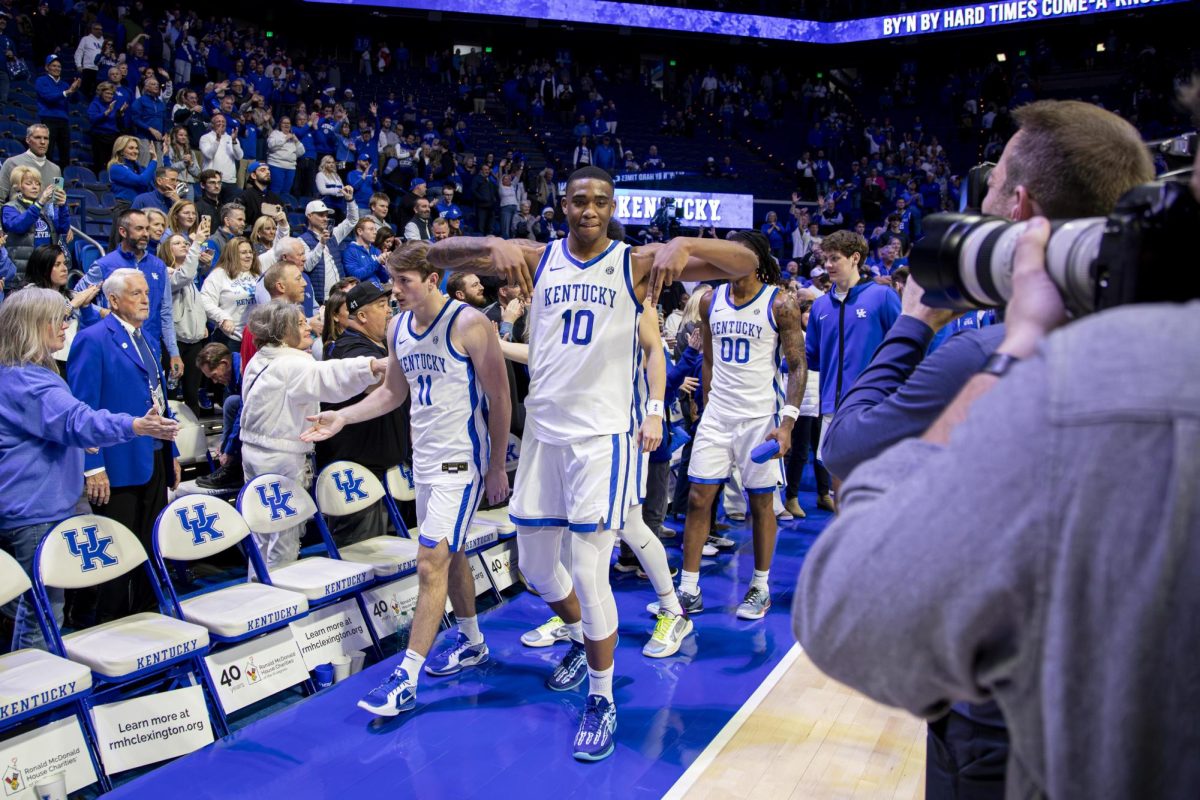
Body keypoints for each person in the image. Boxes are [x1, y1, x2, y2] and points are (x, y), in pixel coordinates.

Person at [795, 106, 1200, 796]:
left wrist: (934, 325)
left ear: (1020, 207)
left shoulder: (1013, 362)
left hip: (1007, 732)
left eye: (985, 200)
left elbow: (850, 451)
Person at [423, 165, 758, 760]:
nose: (590, 210)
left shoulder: (636, 263)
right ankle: (580, 639)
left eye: (601, 201)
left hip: (602, 439)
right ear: (562, 204)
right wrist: (488, 245)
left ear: (611, 206)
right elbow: (425, 252)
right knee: (535, 568)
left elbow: (740, 262)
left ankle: (602, 698)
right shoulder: (536, 254)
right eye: (579, 200)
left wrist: (685, 243)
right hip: (545, 440)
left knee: (590, 569)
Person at [302, 240, 511, 717]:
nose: (394, 292)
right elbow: (393, 393)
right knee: (450, 554)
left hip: (463, 461)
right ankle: (473, 641)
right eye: (393, 281)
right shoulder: (398, 327)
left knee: (429, 561)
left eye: (403, 282)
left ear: (433, 280)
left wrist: (497, 464)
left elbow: (501, 400)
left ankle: (406, 676)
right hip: (424, 463)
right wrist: (343, 417)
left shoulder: (470, 324)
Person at [0, 288, 178, 650]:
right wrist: (134, 426)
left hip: (31, 505)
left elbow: (56, 428)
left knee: (33, 611)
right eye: (59, 319)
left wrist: (82, 441)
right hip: (34, 510)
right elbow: (75, 419)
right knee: (40, 617)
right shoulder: (29, 381)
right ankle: (42, 701)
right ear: (35, 326)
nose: (66, 326)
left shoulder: (19, 373)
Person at [666, 231, 806, 621]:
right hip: (718, 416)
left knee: (760, 504)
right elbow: (708, 358)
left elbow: (796, 365)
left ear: (755, 259)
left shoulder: (780, 303)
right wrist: (705, 400)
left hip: (760, 418)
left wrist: (788, 422)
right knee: (697, 499)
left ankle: (760, 586)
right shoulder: (711, 301)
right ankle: (689, 588)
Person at [238, 301, 386, 573]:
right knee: (284, 539)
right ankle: (281, 606)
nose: (308, 326)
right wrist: (371, 366)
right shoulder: (292, 363)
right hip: (281, 461)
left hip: (255, 455)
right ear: (282, 331)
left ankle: (260, 592)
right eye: (299, 323)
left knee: (261, 536)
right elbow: (330, 375)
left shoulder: (261, 358)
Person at [67, 269, 181, 622]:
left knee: (150, 545)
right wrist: (93, 465)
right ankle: (111, 627)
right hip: (117, 462)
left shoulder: (143, 336)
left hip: (154, 456)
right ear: (113, 300)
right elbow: (81, 409)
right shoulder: (93, 339)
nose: (146, 299)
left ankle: (148, 617)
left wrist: (171, 452)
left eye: (147, 292)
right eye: (136, 293)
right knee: (118, 553)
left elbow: (158, 399)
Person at [804, 229, 900, 499]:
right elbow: (811, 357)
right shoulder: (821, 306)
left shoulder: (882, 297)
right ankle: (845, 536)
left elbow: (904, 347)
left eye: (835, 258)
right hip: (833, 407)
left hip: (875, 406)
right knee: (840, 480)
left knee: (876, 481)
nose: (828, 265)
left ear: (855, 258)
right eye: (826, 260)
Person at [312, 281, 409, 543]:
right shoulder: (350, 348)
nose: (389, 311)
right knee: (364, 555)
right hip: (358, 474)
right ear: (362, 316)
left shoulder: (376, 345)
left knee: (393, 555)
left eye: (389, 304)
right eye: (381, 306)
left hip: (384, 468)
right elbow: (380, 384)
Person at [77, 209, 183, 383]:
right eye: (139, 229)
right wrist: (101, 312)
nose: (145, 234)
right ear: (123, 231)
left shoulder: (158, 266)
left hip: (150, 346)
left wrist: (174, 352)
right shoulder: (105, 265)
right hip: (115, 348)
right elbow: (77, 296)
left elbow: (165, 312)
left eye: (147, 229)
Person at [158, 219, 209, 412]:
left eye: (186, 243)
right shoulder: (167, 273)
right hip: (175, 343)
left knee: (192, 394)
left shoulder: (191, 278)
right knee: (170, 393)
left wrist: (202, 323)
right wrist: (197, 244)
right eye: (177, 243)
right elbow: (185, 275)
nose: (184, 245)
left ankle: (193, 438)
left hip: (194, 342)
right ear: (167, 250)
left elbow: (197, 304)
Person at [2, 165, 70, 280]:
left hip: (47, 271)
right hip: (21, 273)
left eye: (37, 183)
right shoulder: (9, 208)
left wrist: (63, 207)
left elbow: (62, 228)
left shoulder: (46, 208)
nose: (35, 187)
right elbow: (19, 226)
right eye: (29, 183)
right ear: (18, 186)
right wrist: (39, 203)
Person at [194, 342, 244, 490]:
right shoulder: (231, 373)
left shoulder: (243, 370)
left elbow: (243, 415)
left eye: (214, 375)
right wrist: (224, 443)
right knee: (230, 402)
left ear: (224, 363)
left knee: (234, 405)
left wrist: (230, 450)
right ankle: (229, 465)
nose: (215, 381)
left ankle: (233, 470)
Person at [201, 235, 261, 349]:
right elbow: (205, 301)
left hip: (254, 337)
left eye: (250, 252)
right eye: (243, 253)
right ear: (232, 255)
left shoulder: (256, 276)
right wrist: (223, 318)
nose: (248, 256)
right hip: (229, 337)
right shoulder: (219, 275)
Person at [106, 136, 157, 246]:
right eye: (131, 148)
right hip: (125, 210)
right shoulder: (116, 168)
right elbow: (142, 181)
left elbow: (153, 183)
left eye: (136, 148)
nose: (135, 151)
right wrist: (153, 160)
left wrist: (165, 157)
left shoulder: (139, 168)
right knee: (123, 246)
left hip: (141, 210)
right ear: (121, 151)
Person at [35, 55, 81, 166]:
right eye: (54, 66)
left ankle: (59, 183)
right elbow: (49, 98)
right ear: (47, 68)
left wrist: (76, 90)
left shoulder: (64, 84)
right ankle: (47, 181)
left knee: (65, 153)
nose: (57, 68)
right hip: (48, 120)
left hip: (63, 121)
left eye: (59, 66)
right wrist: (68, 91)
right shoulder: (41, 81)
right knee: (48, 152)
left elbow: (75, 101)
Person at [0, 125, 61, 203]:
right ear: (28, 140)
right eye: (37, 137)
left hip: (47, 215)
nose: (42, 142)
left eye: (46, 138)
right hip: (20, 214)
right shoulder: (12, 163)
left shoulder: (56, 169)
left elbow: (56, 202)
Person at [199, 112, 244, 201]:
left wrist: (234, 141)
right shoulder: (205, 138)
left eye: (223, 121)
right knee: (212, 207)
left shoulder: (232, 138)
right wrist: (217, 140)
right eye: (218, 121)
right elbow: (209, 155)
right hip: (212, 180)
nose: (221, 123)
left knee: (229, 209)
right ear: (212, 124)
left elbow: (239, 156)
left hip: (230, 181)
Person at [87, 82, 124, 175]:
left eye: (111, 94)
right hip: (99, 137)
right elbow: (92, 119)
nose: (110, 96)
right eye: (107, 93)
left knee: (112, 162)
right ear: (101, 93)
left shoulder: (113, 106)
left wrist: (120, 114)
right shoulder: (95, 104)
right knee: (100, 163)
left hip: (112, 137)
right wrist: (106, 112)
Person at [238, 161, 284, 229]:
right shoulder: (245, 196)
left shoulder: (276, 198)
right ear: (253, 175)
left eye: (268, 170)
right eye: (263, 170)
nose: (268, 172)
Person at [342, 217, 388, 284]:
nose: (375, 232)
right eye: (371, 229)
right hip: (363, 293)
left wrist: (386, 265)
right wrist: (377, 262)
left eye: (375, 229)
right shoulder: (350, 252)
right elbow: (355, 276)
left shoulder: (376, 251)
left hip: (379, 290)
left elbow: (384, 279)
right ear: (360, 231)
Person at [266, 117, 305, 196]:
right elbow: (271, 145)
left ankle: (283, 207)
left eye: (288, 123)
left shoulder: (293, 136)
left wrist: (296, 141)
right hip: (276, 165)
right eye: (284, 123)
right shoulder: (275, 133)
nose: (286, 125)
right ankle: (273, 207)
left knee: (286, 191)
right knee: (276, 189)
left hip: (291, 167)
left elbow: (301, 152)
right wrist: (285, 138)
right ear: (280, 125)